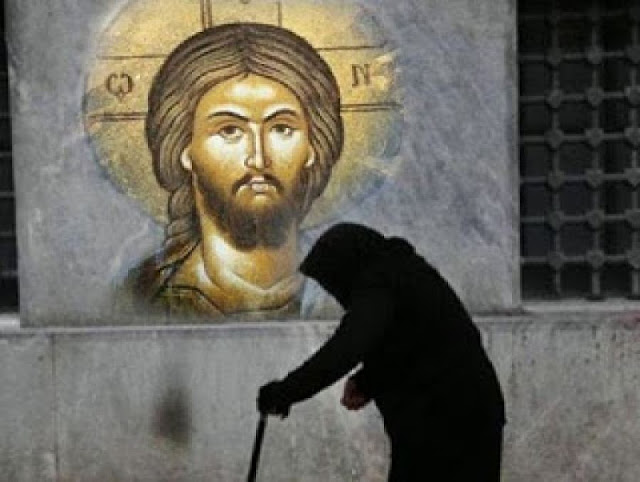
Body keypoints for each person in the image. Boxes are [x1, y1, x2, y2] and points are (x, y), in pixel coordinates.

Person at [258, 223, 506, 481]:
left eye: (334, 281)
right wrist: (367, 382)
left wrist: (286, 392)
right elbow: (407, 345)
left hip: (447, 423)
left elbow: (346, 349)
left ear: (346, 267)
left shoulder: (379, 282)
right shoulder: (400, 272)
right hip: (459, 416)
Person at [129, 23, 344, 317]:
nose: (258, 158)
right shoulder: (141, 296)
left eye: (281, 128)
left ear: (313, 147)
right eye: (230, 130)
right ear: (184, 149)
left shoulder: (353, 287)